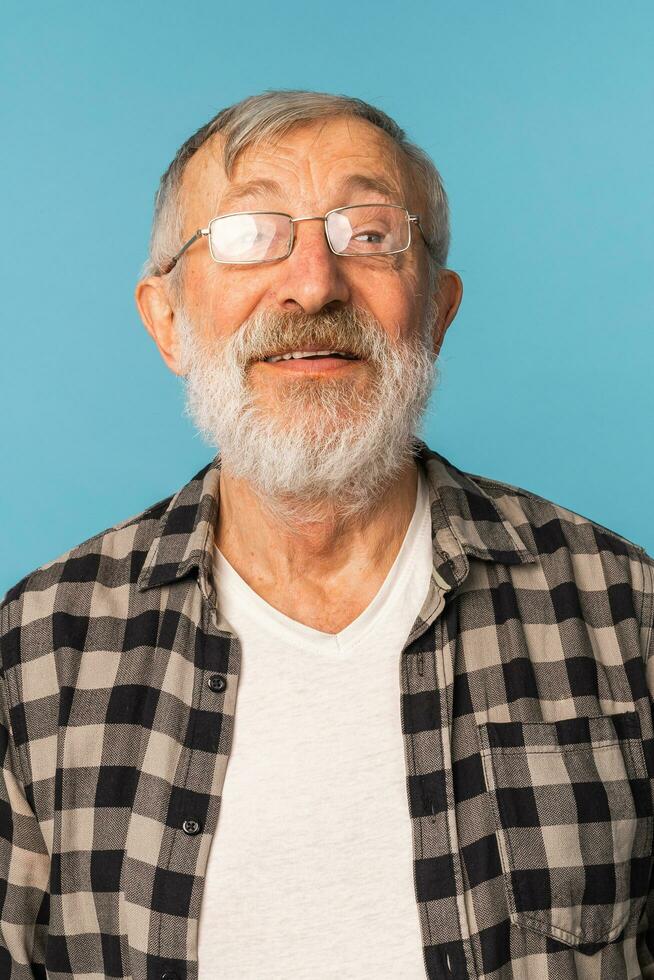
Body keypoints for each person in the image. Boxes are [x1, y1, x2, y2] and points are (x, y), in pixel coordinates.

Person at [1, 89, 652, 980]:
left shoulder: (626, 613)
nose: (314, 282)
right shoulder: (39, 649)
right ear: (166, 321)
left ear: (439, 307)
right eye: (250, 232)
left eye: (370, 233)